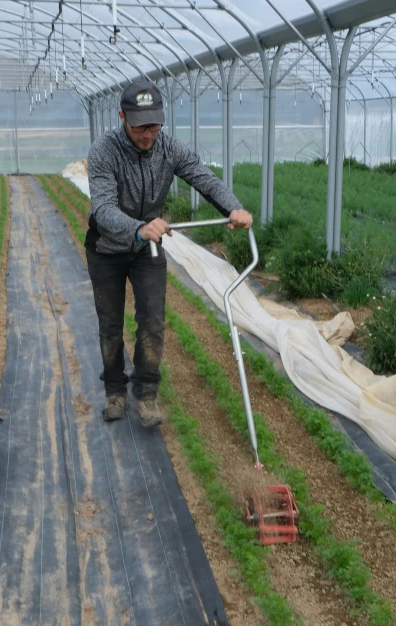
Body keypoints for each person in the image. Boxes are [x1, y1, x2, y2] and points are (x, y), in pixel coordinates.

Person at [85, 78, 253, 427]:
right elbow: (102, 207)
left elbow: (204, 178)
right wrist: (138, 227)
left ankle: (146, 394)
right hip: (107, 248)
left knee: (153, 320)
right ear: (122, 117)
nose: (148, 134)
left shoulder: (169, 148)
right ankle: (115, 389)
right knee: (110, 324)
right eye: (140, 126)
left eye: (155, 125)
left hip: (148, 250)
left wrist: (234, 208)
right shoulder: (104, 152)